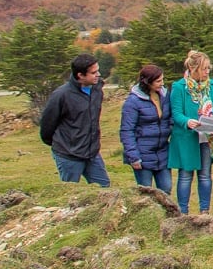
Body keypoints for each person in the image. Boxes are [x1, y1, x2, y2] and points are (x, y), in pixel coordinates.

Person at [39, 54, 109, 187]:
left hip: (92, 153)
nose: (98, 75)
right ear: (80, 75)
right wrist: (63, 145)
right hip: (68, 155)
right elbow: (47, 126)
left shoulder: (97, 89)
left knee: (104, 188)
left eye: (97, 70)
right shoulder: (61, 95)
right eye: (93, 73)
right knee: (71, 193)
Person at [169, 50, 213, 214]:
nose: (207, 72)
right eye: (204, 68)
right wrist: (187, 121)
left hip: (208, 138)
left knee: (205, 175)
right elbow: (176, 113)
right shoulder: (179, 87)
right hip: (188, 137)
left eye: (209, 68)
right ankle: (183, 212)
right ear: (193, 68)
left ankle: (204, 211)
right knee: (185, 175)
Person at [119, 64, 173, 193]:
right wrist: (133, 156)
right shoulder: (133, 102)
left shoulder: (165, 97)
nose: (162, 84)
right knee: (146, 192)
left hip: (162, 152)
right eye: (158, 81)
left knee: (166, 188)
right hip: (142, 154)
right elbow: (127, 130)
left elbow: (169, 118)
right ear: (147, 82)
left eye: (162, 80)